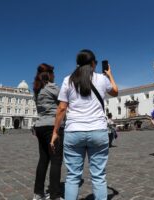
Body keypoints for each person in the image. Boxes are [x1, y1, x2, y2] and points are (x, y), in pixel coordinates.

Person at [50, 49, 118, 200]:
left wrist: (55, 132)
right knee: (99, 176)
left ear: (77, 64)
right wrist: (109, 74)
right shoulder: (101, 79)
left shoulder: (68, 80)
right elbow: (115, 91)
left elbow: (61, 108)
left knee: (73, 177)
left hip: (74, 131)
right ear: (93, 63)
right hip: (98, 131)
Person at [33, 63, 64, 200]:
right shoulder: (52, 87)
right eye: (53, 73)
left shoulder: (37, 89)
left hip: (40, 126)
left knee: (43, 160)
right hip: (52, 126)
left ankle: (38, 193)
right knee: (56, 160)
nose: (55, 76)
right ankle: (55, 195)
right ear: (49, 74)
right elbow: (64, 101)